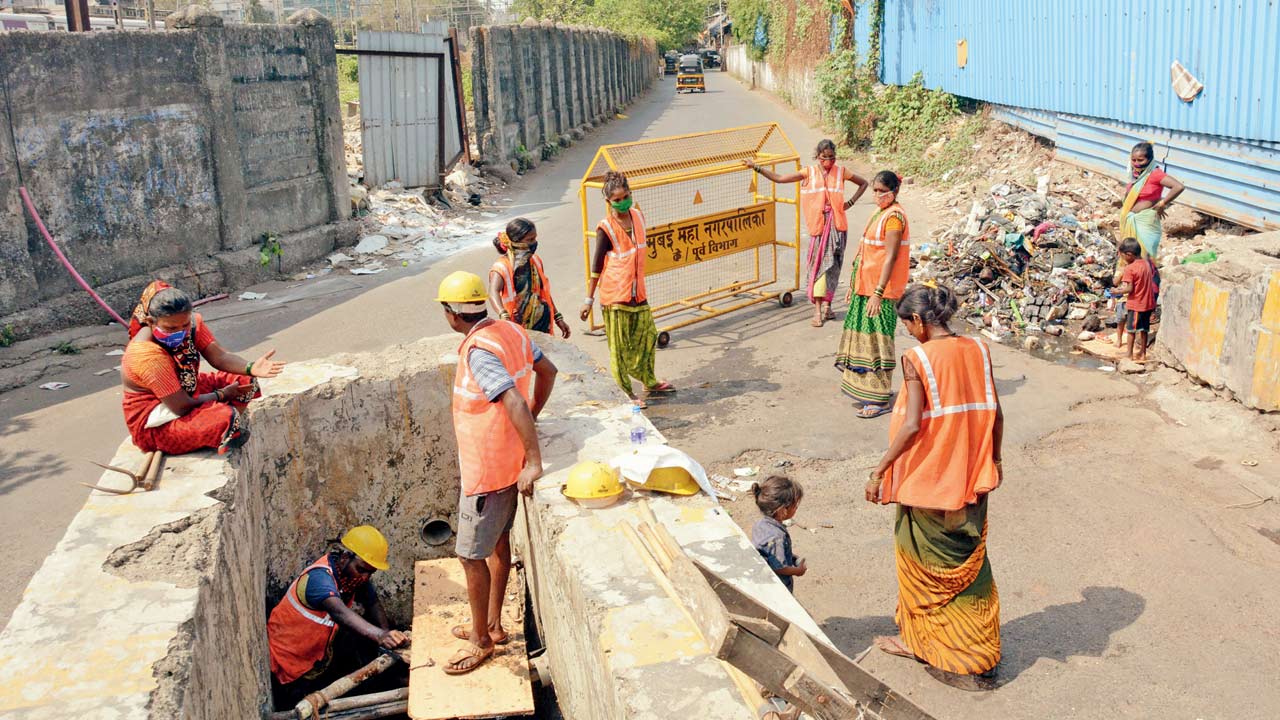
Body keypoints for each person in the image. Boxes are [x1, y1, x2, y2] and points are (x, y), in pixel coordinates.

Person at [864, 283, 1003, 690]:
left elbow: (911, 425)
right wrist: (994, 460)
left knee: (924, 567)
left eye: (906, 323)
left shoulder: (917, 358)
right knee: (968, 568)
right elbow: (997, 411)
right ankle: (964, 644)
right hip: (973, 480)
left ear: (920, 320)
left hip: (929, 482)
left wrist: (879, 470)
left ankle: (931, 645)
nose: (906, 330)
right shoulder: (979, 349)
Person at [439, 270, 557, 675]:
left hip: (487, 471)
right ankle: (491, 625)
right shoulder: (511, 331)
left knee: (470, 556)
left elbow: (512, 401)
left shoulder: (479, 350)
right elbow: (548, 372)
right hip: (507, 463)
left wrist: (535, 459)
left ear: (451, 314)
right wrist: (531, 430)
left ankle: (481, 641)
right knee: (498, 547)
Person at [121, 283, 285, 455]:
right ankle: (219, 428)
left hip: (187, 390)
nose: (181, 332)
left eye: (184, 325)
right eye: (171, 328)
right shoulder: (146, 355)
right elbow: (181, 406)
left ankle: (222, 428)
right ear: (150, 322)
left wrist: (250, 367)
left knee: (246, 382)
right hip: (155, 423)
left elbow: (219, 357)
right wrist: (221, 395)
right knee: (224, 419)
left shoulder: (192, 325)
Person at [267, 525, 408, 705]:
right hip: (289, 662)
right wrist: (381, 636)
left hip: (316, 656)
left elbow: (372, 601)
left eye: (371, 573)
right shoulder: (319, 580)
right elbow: (339, 612)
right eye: (362, 570)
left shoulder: (352, 576)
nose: (365, 577)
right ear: (344, 557)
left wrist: (388, 634)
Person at [744, 140, 869, 327]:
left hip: (838, 227)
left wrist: (849, 203)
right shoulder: (808, 173)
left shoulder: (841, 172)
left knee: (834, 267)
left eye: (832, 157)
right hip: (819, 228)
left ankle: (828, 305)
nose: (829, 161)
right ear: (818, 156)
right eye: (824, 157)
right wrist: (756, 168)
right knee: (819, 268)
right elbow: (779, 178)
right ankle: (817, 310)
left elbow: (864, 183)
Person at [579, 170, 674, 407]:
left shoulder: (638, 217)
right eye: (617, 199)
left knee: (648, 336)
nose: (622, 202)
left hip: (638, 293)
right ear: (608, 202)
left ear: (631, 193)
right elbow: (596, 265)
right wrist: (589, 300)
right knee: (619, 348)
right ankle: (625, 392)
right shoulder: (606, 228)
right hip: (615, 295)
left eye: (625, 196)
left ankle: (648, 379)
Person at [836, 171, 910, 418]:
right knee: (864, 341)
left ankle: (879, 399)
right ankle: (866, 391)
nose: (877, 195)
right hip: (864, 287)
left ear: (894, 191)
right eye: (875, 191)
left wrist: (878, 293)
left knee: (879, 343)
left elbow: (890, 256)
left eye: (882, 191)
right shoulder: (880, 213)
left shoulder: (894, 218)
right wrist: (854, 285)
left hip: (881, 291)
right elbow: (866, 251)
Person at [487, 218, 571, 338]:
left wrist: (557, 317)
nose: (534, 243)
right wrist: (502, 314)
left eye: (535, 238)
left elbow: (544, 292)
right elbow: (493, 291)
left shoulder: (535, 261)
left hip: (542, 323)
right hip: (517, 325)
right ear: (515, 241)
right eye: (530, 240)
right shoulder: (502, 267)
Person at [1119, 141, 1185, 261]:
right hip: (1132, 219)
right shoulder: (1135, 174)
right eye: (1133, 160)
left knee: (1144, 255)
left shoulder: (1155, 174)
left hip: (1145, 222)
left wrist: (1162, 203)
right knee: (1129, 255)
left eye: (1140, 160)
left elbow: (1178, 187)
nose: (1136, 163)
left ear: (1150, 159)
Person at [750, 476, 806, 593]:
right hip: (778, 586)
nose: (796, 509)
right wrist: (798, 571)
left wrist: (790, 556)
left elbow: (769, 552)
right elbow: (780, 568)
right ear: (782, 511)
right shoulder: (777, 537)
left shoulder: (761, 524)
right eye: (795, 506)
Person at [1110, 238, 1159, 361]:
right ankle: (1142, 353)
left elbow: (1129, 288)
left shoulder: (1130, 268)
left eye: (1122, 256)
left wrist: (1117, 291)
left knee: (1131, 330)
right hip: (1148, 303)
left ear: (1129, 254)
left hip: (1136, 303)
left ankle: (1129, 354)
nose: (1122, 258)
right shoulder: (1146, 264)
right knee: (1144, 329)